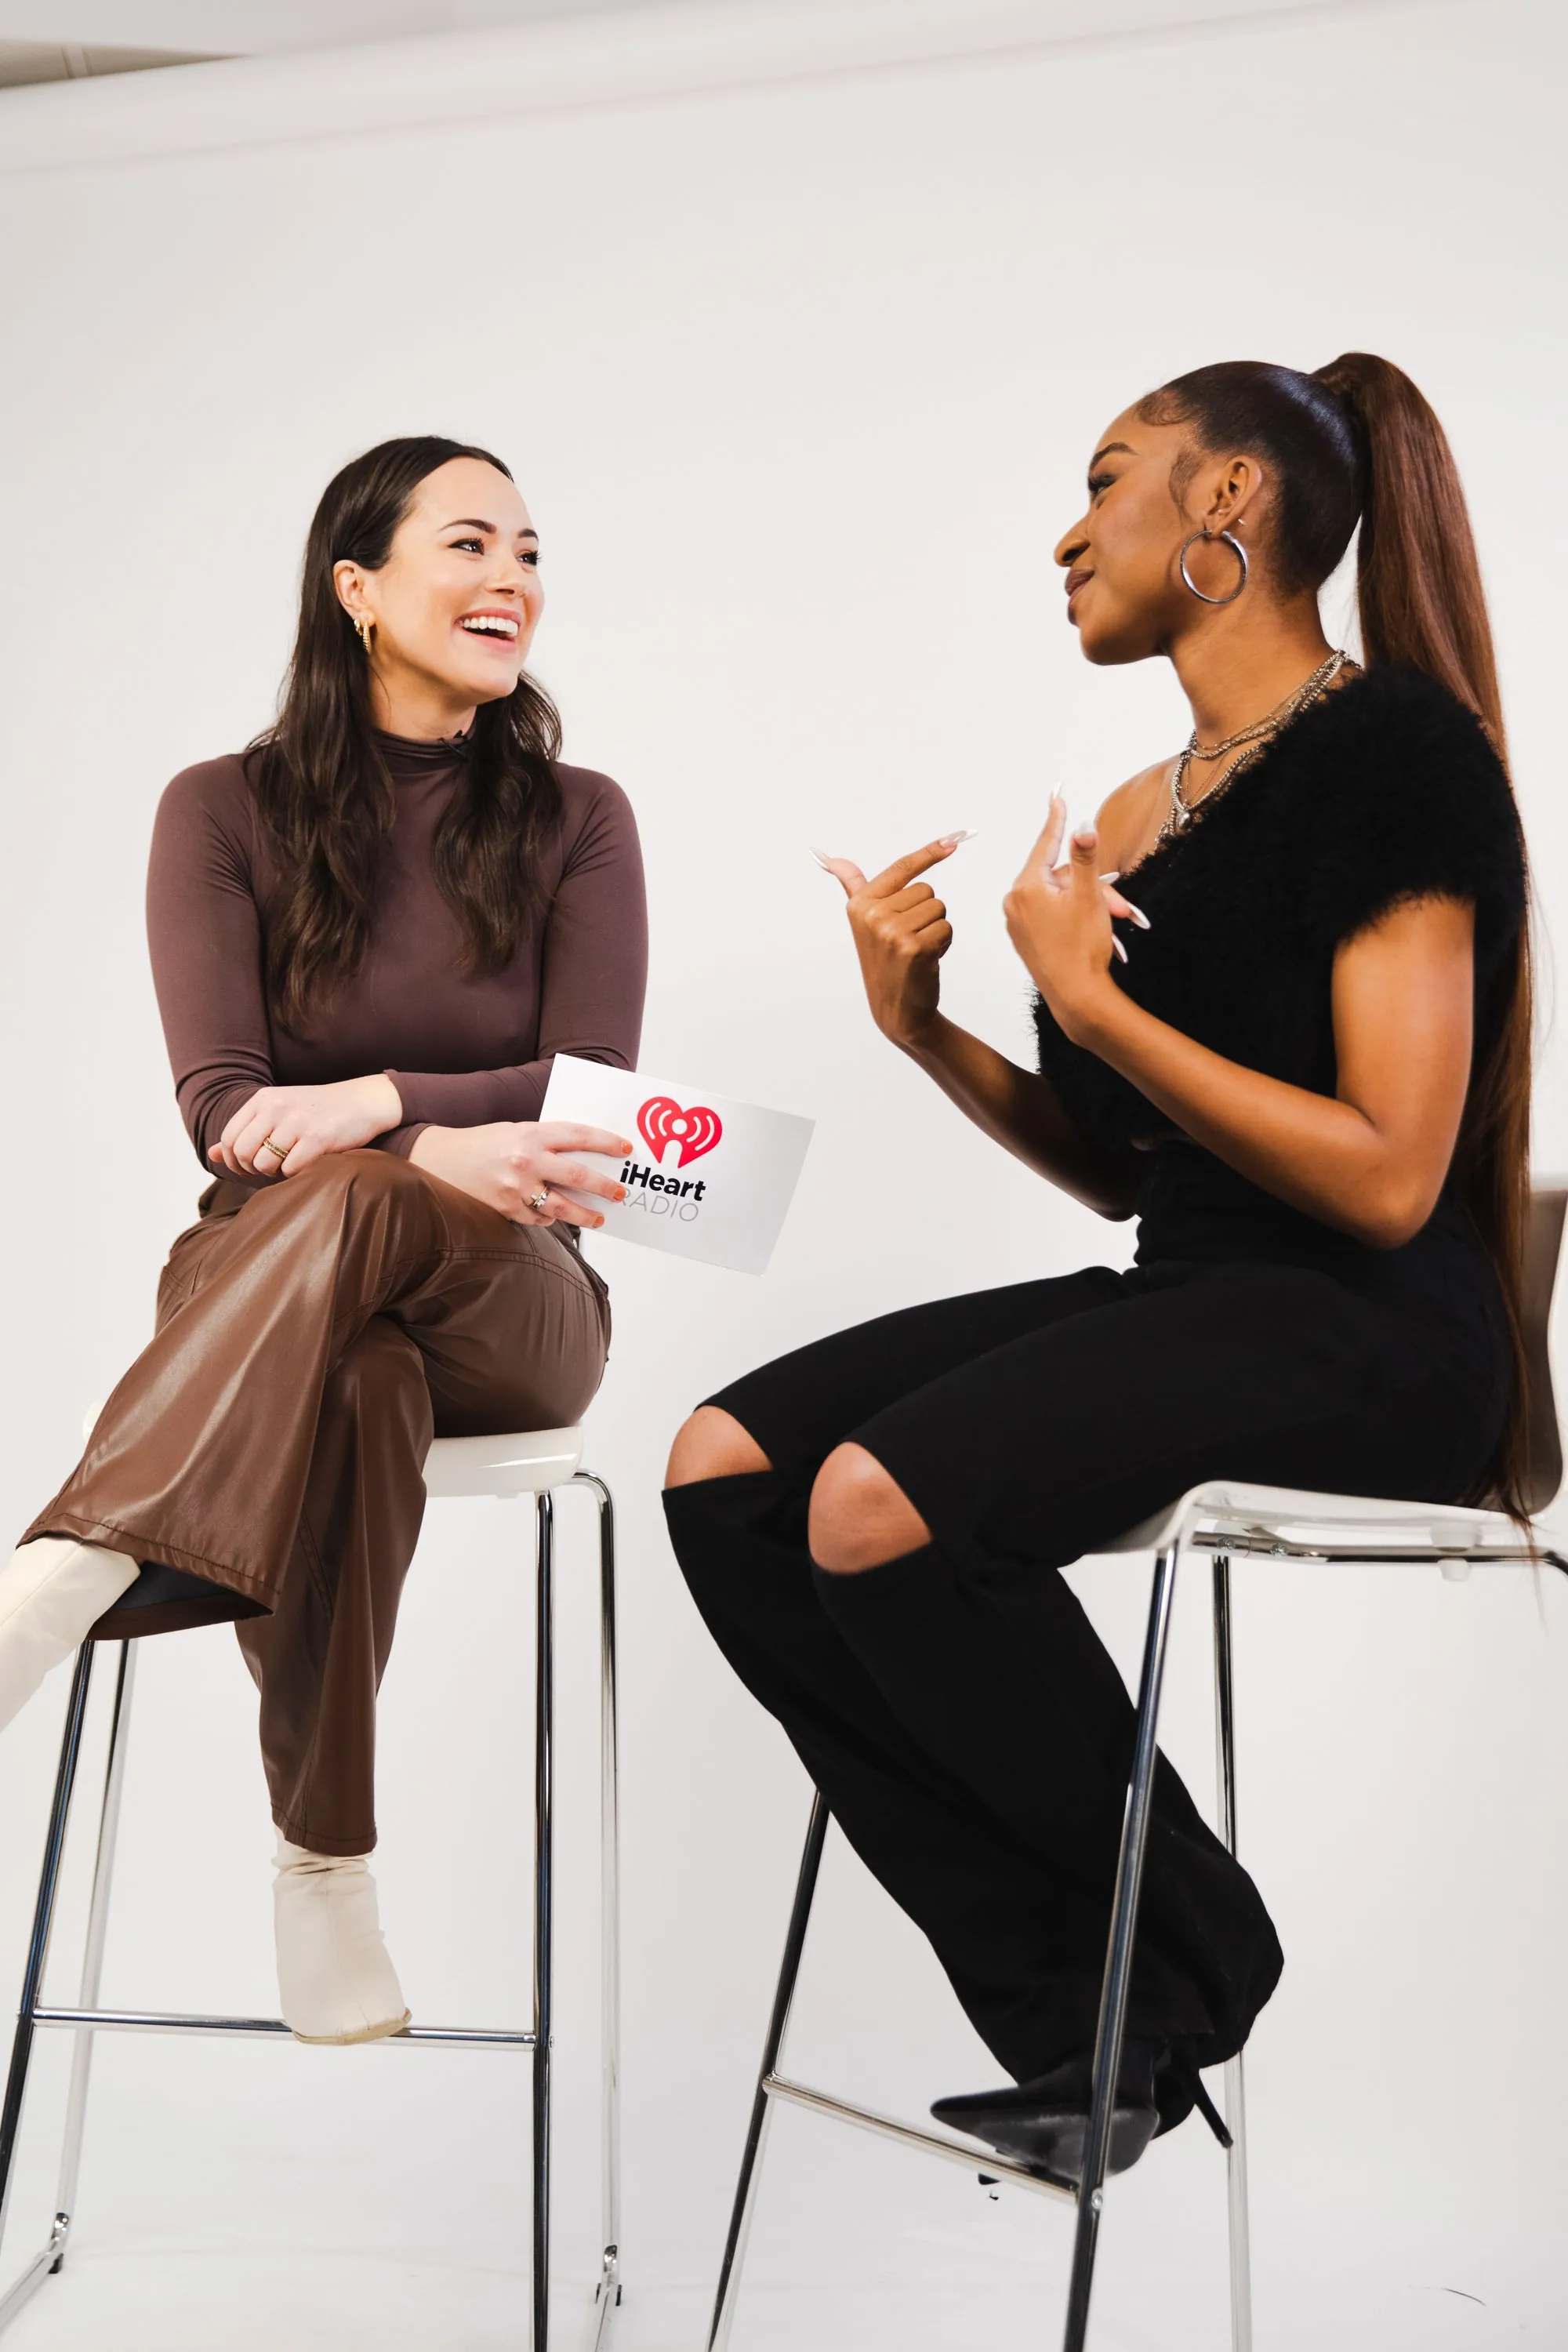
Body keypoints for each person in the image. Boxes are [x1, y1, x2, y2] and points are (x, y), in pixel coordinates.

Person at [663, 356, 1530, 2184]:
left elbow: (1387, 1181)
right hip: (1194, 1291)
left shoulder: (1395, 755)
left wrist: (1080, 998)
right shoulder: (1140, 810)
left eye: (1107, 479)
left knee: (881, 1506)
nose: (1066, 532)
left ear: (1226, 508)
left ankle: (1179, 1958)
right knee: (730, 1474)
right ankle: (1090, 1998)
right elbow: (1119, 1167)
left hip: (1377, 1334)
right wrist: (927, 1031)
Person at [0, 436, 645, 2046]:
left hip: (521, 1299)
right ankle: (325, 1871)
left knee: (352, 1191)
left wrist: (370, 1102)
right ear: (357, 589)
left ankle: (65, 1571)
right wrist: (432, 1135)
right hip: (280, 1285)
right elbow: (223, 1107)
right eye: (469, 544)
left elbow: (600, 1099)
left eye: (530, 550)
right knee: (355, 1374)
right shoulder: (219, 811)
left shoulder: (577, 817)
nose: (513, 579)